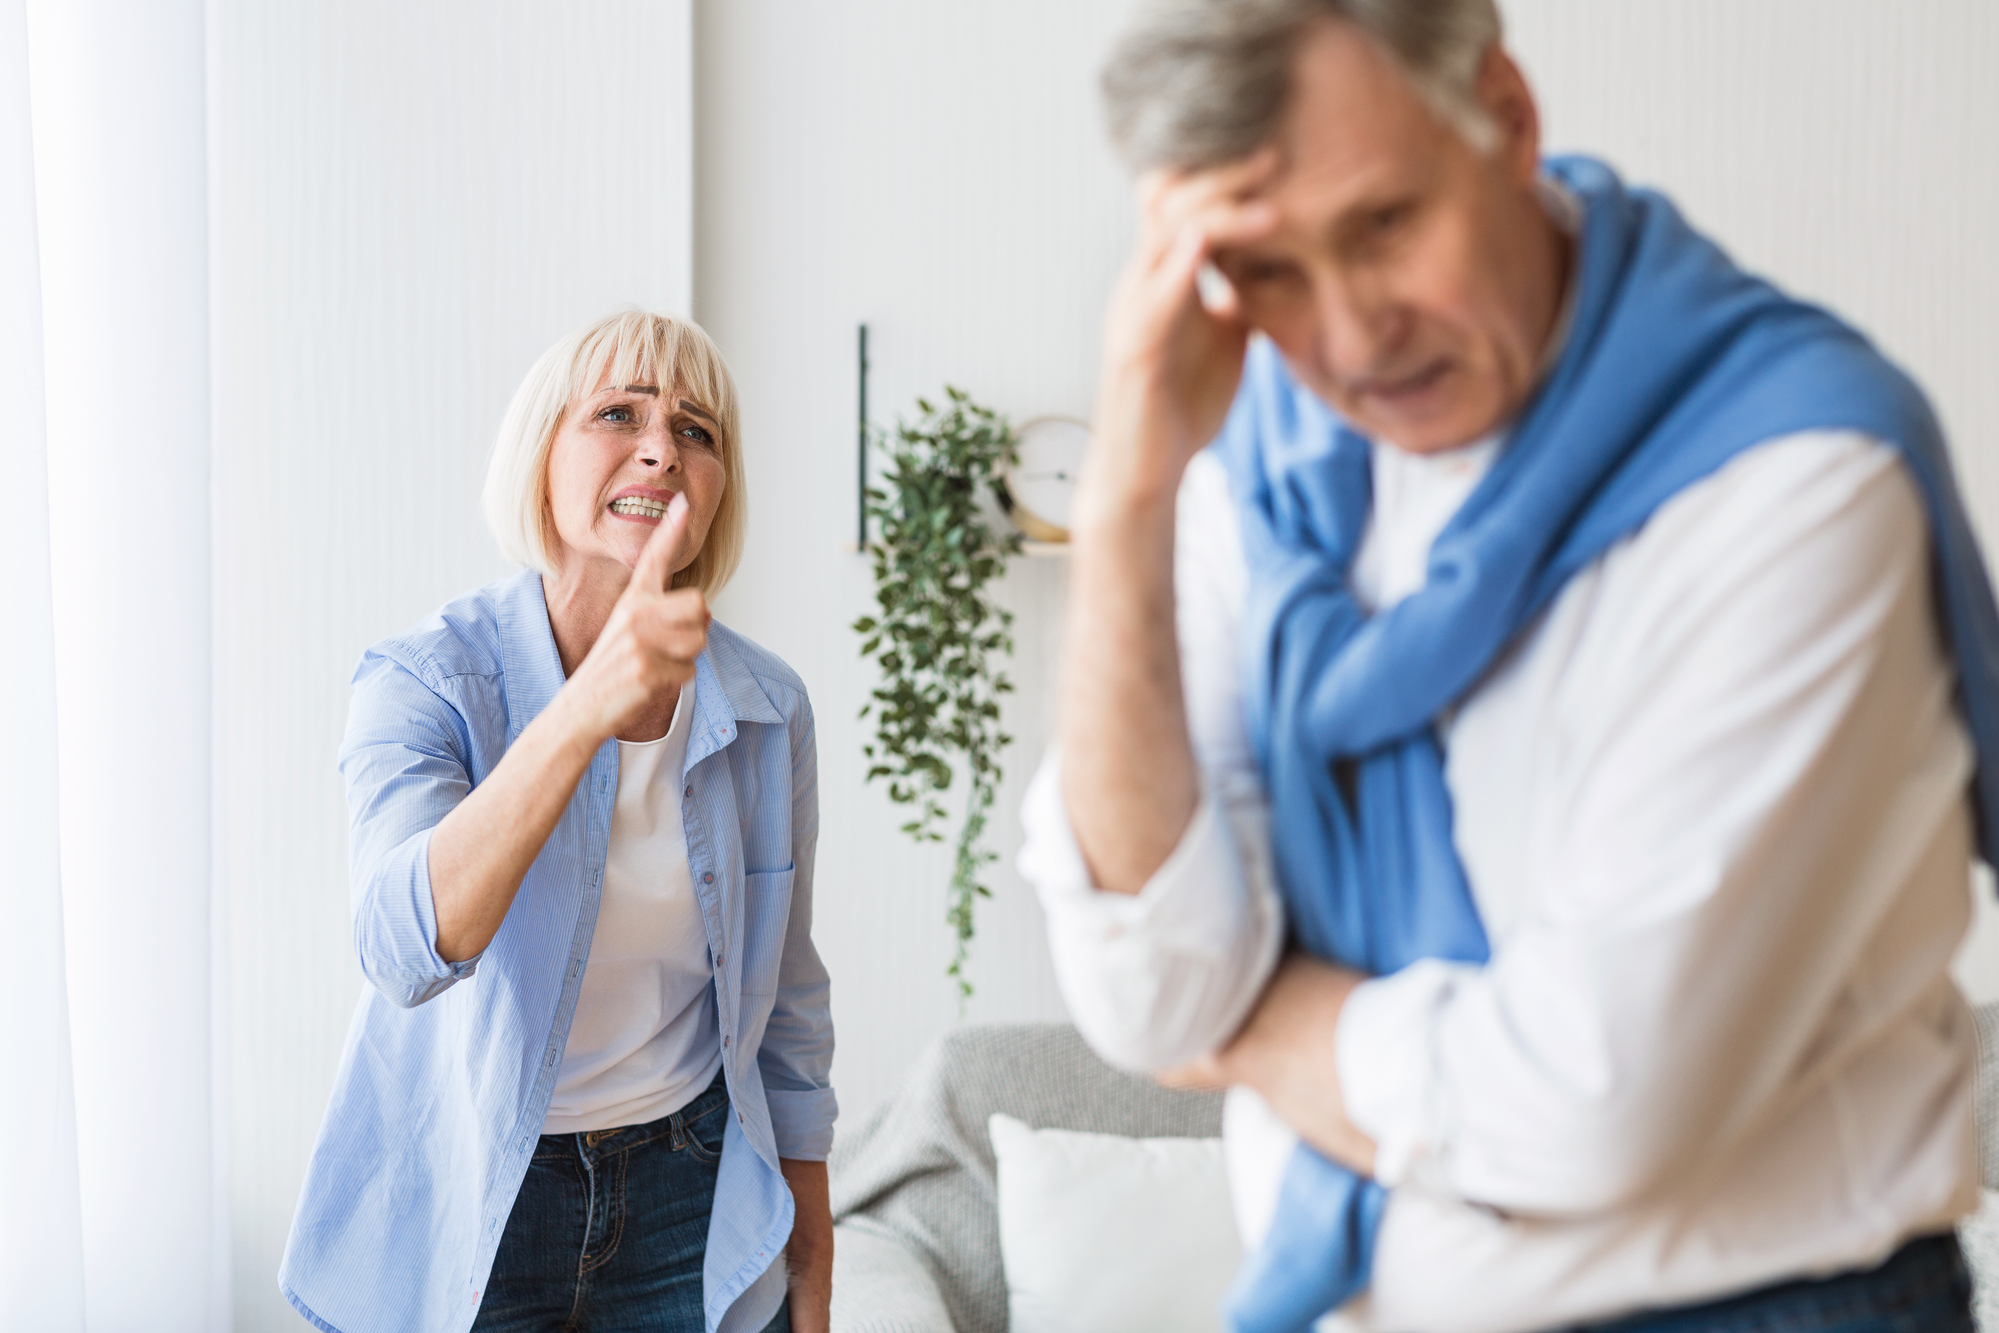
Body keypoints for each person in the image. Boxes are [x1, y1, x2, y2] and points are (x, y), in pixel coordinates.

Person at [1019, 2, 1999, 1330]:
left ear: (1505, 114)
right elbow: (1150, 988)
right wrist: (1132, 492)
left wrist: (1257, 1033)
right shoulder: (1257, 479)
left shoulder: (1792, 481)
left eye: (1380, 225)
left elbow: (1590, 1102)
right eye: (1269, 273)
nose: (1353, 337)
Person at [281, 311, 834, 1333]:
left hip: (691, 1189)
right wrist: (587, 707)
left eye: (697, 430)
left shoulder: (769, 706)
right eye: (617, 413)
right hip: (473, 1195)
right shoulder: (423, 680)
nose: (663, 447)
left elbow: (788, 1007)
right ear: (541, 456)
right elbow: (404, 947)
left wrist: (813, 1268)